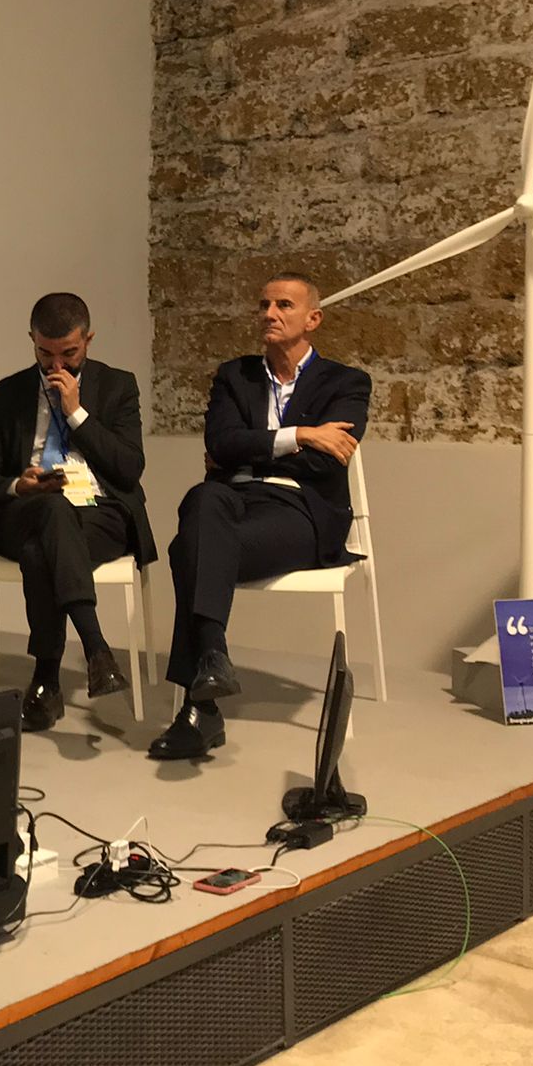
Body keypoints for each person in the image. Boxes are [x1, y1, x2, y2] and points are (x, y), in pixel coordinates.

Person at [152, 274, 370, 762]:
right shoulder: (235, 376)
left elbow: (325, 464)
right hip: (232, 499)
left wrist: (256, 448)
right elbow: (219, 443)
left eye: (284, 305)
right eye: (264, 305)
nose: (269, 314)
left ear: (313, 319)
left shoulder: (347, 382)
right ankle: (213, 656)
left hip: (300, 510)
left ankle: (199, 709)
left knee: (190, 548)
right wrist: (303, 436)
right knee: (203, 500)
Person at [0, 292, 154, 731]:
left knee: (42, 551)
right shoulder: (6, 394)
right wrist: (19, 484)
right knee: (51, 507)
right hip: (24, 512)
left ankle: (46, 680)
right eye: (44, 353)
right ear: (32, 340)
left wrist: (76, 414)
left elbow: (129, 468)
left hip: (99, 512)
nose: (56, 365)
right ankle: (96, 649)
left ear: (88, 339)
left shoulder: (118, 385)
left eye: (68, 353)